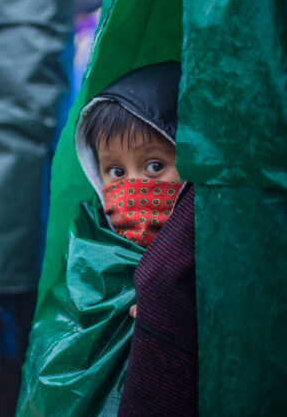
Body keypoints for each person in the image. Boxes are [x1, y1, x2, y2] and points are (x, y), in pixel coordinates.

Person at [75, 61, 198, 415]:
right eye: (115, 171)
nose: (132, 187)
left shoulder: (211, 252)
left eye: (155, 166)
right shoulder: (91, 246)